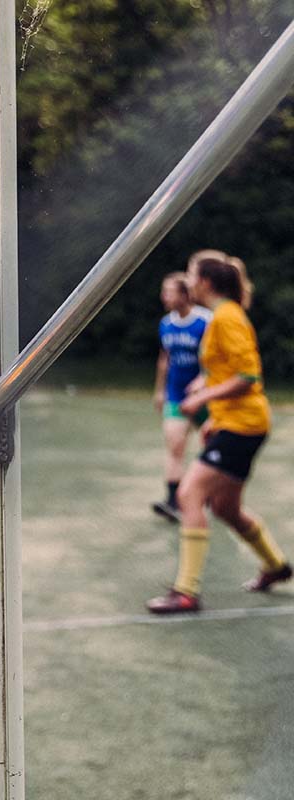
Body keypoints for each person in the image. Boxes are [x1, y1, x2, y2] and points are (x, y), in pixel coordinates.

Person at [147, 251, 291, 614]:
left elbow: (248, 378)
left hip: (244, 425)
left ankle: (186, 592)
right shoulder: (222, 318)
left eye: (193, 275)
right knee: (226, 508)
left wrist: (202, 399)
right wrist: (213, 413)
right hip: (234, 423)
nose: (189, 280)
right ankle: (276, 567)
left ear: (206, 282)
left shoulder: (227, 318)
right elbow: (226, 372)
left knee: (189, 494)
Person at [150, 271, 211, 523]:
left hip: (207, 397)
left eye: (169, 291)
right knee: (175, 446)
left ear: (185, 294)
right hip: (176, 395)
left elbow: (218, 358)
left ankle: (207, 495)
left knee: (210, 447)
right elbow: (165, 359)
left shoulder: (206, 321)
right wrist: (160, 389)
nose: (164, 296)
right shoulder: (166, 323)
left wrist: (204, 379)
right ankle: (173, 501)